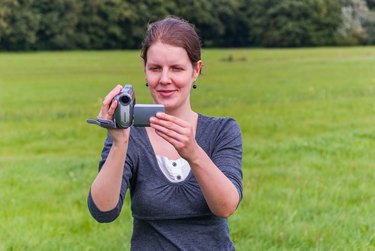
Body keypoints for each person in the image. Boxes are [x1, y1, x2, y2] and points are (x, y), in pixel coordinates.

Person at [87, 16, 243, 250]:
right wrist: (119, 143)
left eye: (177, 68)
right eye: (155, 68)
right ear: (145, 70)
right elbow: (103, 211)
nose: (164, 79)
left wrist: (193, 153)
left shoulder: (222, 131)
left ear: (196, 70)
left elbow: (226, 206)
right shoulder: (129, 136)